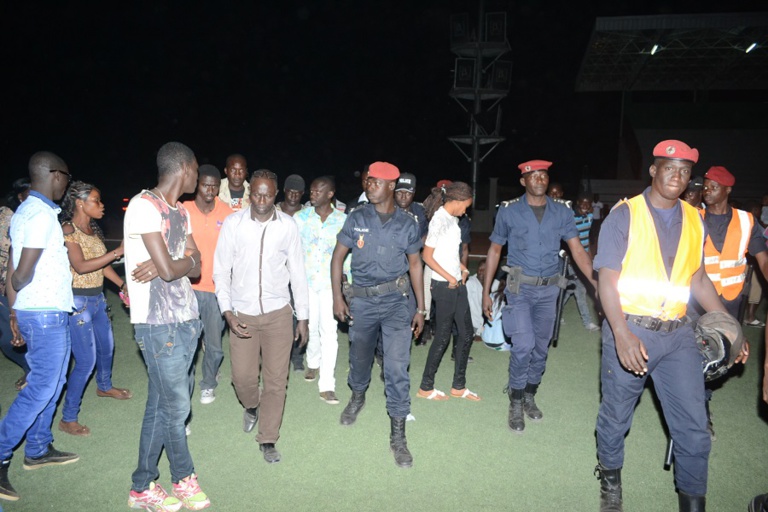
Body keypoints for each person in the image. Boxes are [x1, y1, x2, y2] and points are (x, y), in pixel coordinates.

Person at [593, 140, 745, 511]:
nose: (677, 176)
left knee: (693, 425)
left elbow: (699, 279)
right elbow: (606, 280)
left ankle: (692, 501)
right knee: (616, 416)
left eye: (684, 171)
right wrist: (621, 335)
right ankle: (610, 482)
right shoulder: (625, 214)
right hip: (631, 330)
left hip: (678, 335)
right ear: (653, 170)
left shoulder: (695, 219)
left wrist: (730, 326)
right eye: (669, 168)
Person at [124, 142, 210, 511]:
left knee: (161, 405)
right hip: (158, 325)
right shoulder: (144, 206)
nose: (198, 177)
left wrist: (176, 262)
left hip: (186, 319)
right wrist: (177, 263)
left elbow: (196, 265)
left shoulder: (180, 212)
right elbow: (171, 269)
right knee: (176, 408)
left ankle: (142, 486)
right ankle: (183, 478)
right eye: (197, 170)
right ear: (185, 168)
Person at [483, 159, 596, 434]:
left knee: (541, 348)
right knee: (523, 345)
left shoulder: (562, 212)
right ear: (523, 181)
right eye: (533, 176)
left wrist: (596, 283)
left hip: (549, 290)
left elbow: (577, 250)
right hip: (520, 289)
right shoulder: (509, 211)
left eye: (544, 175)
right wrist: (486, 292)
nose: (540, 180)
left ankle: (530, 394)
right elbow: (495, 250)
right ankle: (515, 399)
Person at [331, 161, 425, 469]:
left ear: (390, 186)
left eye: (375, 182)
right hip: (362, 302)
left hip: (396, 301)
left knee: (397, 367)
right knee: (359, 359)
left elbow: (415, 265)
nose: (369, 186)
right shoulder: (357, 217)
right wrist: (337, 297)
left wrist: (421, 308)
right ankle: (358, 395)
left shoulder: (408, 223)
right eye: (369, 181)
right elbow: (337, 258)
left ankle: (398, 435)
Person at [213, 169, 309, 464]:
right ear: (249, 193)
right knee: (242, 378)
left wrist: (303, 317)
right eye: (256, 194)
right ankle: (252, 405)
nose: (262, 200)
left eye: (267, 195)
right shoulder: (234, 224)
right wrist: (227, 312)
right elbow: (221, 271)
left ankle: (268, 438)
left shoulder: (288, 226)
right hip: (242, 314)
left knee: (276, 381)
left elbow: (298, 272)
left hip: (278, 313)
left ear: (275, 194)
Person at [0, 151, 78, 503]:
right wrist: (21, 289)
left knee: (53, 382)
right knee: (41, 386)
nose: (66, 184)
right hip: (44, 313)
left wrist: (14, 311)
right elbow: (20, 272)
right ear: (55, 174)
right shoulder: (40, 215)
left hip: (42, 311)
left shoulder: (27, 211)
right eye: (66, 177)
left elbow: (11, 267)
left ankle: (37, 448)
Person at [58, 181, 133, 438]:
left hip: (98, 299)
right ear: (80, 203)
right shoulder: (68, 230)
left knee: (107, 348)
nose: (101, 205)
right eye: (96, 200)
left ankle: (104, 386)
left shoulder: (92, 229)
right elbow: (80, 266)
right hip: (78, 303)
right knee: (86, 361)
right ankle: (68, 418)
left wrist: (122, 284)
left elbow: (101, 266)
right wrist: (117, 252)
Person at [416, 182, 478, 401]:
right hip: (444, 286)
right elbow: (427, 256)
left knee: (467, 333)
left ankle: (458, 386)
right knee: (442, 337)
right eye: (466, 206)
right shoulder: (439, 220)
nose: (466, 211)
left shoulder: (453, 220)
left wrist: (462, 268)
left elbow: (448, 253)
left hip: (456, 283)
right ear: (457, 201)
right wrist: (450, 277)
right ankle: (425, 387)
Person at [182, 164, 233, 405]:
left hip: (215, 289)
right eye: (205, 185)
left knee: (214, 344)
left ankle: (209, 383)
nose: (210, 190)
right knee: (187, 343)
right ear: (197, 185)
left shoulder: (227, 213)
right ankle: (184, 388)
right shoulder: (183, 210)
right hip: (188, 287)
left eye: (214, 186)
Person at [294, 177, 346, 404]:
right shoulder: (300, 218)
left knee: (329, 332)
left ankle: (327, 384)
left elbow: (348, 255)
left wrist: (347, 281)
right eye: (312, 190)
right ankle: (313, 362)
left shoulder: (343, 220)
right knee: (311, 326)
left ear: (330, 194)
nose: (312, 194)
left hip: (329, 285)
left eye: (317, 191)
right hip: (305, 283)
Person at [0, 178, 31, 391]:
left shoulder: (37, 215)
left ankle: (33, 369)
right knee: (8, 337)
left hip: (27, 284)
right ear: (20, 196)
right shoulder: (7, 215)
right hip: (6, 285)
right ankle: (30, 367)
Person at [274, 173, 307, 373]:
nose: (293, 195)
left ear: (303, 193)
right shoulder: (272, 210)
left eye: (298, 192)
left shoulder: (307, 214)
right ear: (284, 191)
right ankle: (279, 357)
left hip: (298, 273)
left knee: (298, 316)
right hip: (276, 273)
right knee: (278, 318)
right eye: (290, 191)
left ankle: (297, 357)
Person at [562, 193, 600, 332]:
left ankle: (556, 313)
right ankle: (587, 322)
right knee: (581, 289)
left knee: (569, 289)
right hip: (572, 260)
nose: (585, 205)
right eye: (582, 202)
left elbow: (586, 239)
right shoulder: (570, 217)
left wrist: (590, 257)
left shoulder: (589, 216)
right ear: (577, 202)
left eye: (587, 203)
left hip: (584, 259)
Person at [466, 259, 501, 342]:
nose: (481, 271)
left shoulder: (495, 283)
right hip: (473, 321)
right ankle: (475, 331)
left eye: (485, 269)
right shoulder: (470, 283)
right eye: (480, 269)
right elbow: (472, 308)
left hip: (488, 318)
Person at [394, 173, 428, 239]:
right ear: (394, 193)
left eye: (408, 193)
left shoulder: (421, 211)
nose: (403, 197)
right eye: (399, 193)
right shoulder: (386, 210)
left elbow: (425, 236)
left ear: (413, 193)